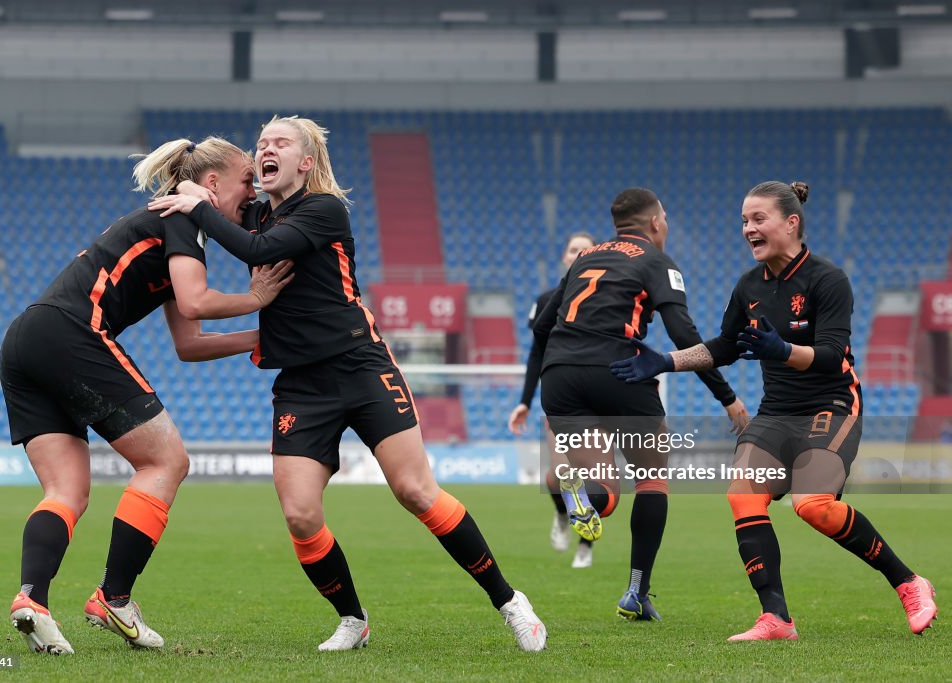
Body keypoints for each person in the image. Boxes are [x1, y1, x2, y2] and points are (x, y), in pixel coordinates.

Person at [148, 115, 547, 652]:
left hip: (361, 366)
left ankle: (510, 602)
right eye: (261, 143)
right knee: (300, 513)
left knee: (415, 490)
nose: (266, 149)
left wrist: (196, 205)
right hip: (301, 384)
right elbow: (219, 203)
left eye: (280, 143)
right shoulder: (258, 211)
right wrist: (192, 187)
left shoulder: (323, 209)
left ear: (306, 162)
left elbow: (257, 252)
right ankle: (352, 619)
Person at [1, 136, 293, 655]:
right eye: (246, 181)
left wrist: (262, 337)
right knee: (167, 461)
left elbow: (188, 344)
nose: (252, 194)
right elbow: (196, 300)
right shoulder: (184, 219)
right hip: (72, 332)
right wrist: (258, 298)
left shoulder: (172, 226)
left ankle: (32, 600)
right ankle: (114, 597)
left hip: (26, 340)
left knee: (66, 491)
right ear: (211, 184)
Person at [611, 181, 937, 640]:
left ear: (791, 222)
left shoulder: (828, 279)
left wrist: (782, 349)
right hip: (776, 412)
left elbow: (830, 356)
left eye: (758, 219)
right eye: (744, 221)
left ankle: (908, 582)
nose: (748, 229)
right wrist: (665, 361)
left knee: (813, 505)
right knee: (742, 495)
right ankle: (776, 618)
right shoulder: (748, 286)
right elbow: (723, 347)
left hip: (832, 404)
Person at [526, 187, 749, 621]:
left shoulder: (584, 260)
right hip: (619, 371)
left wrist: (562, 362)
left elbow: (540, 328)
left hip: (560, 377)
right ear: (655, 223)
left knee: (604, 494)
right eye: (664, 218)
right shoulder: (656, 261)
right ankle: (636, 592)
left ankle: (581, 493)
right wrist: (728, 397)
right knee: (651, 480)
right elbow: (685, 336)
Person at [508, 231, 601, 569]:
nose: (578, 254)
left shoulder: (606, 300)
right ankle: (563, 513)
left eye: (586, 250)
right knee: (559, 472)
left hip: (596, 399)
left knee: (593, 475)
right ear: (565, 256)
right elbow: (537, 353)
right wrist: (525, 401)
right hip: (560, 396)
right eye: (573, 249)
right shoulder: (547, 299)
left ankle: (586, 545)